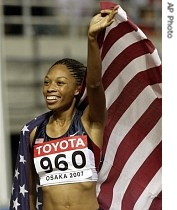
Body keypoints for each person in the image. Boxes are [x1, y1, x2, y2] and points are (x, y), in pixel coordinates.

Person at [28, 5, 118, 210]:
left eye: (60, 83)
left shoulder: (90, 122)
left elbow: (95, 84)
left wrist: (92, 39)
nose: (50, 88)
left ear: (77, 89)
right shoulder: (35, 133)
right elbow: (31, 190)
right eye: (46, 82)